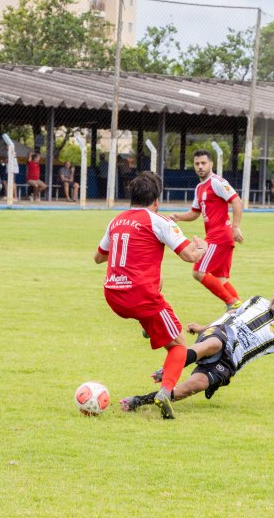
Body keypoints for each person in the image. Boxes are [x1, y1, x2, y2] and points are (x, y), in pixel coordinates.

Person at [94, 171, 208, 419]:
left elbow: (98, 257)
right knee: (179, 345)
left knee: (158, 279)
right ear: (157, 200)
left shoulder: (116, 221)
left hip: (113, 295)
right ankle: (165, 392)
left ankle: (148, 325)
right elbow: (189, 255)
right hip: (140, 296)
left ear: (130, 197)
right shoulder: (160, 221)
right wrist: (202, 248)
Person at [120, 281, 274, 414]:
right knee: (214, 343)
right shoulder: (256, 301)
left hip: (230, 361)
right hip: (220, 334)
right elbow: (228, 317)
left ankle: (139, 401)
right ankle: (171, 367)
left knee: (192, 387)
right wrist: (203, 328)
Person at [170, 149, 244, 311]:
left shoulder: (217, 182)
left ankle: (231, 303)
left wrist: (236, 226)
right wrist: (179, 217)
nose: (200, 167)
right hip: (218, 237)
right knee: (220, 278)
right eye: (197, 164)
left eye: (203, 163)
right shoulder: (199, 187)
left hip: (220, 236)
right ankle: (241, 312)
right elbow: (195, 213)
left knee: (198, 271)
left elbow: (237, 201)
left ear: (211, 164)